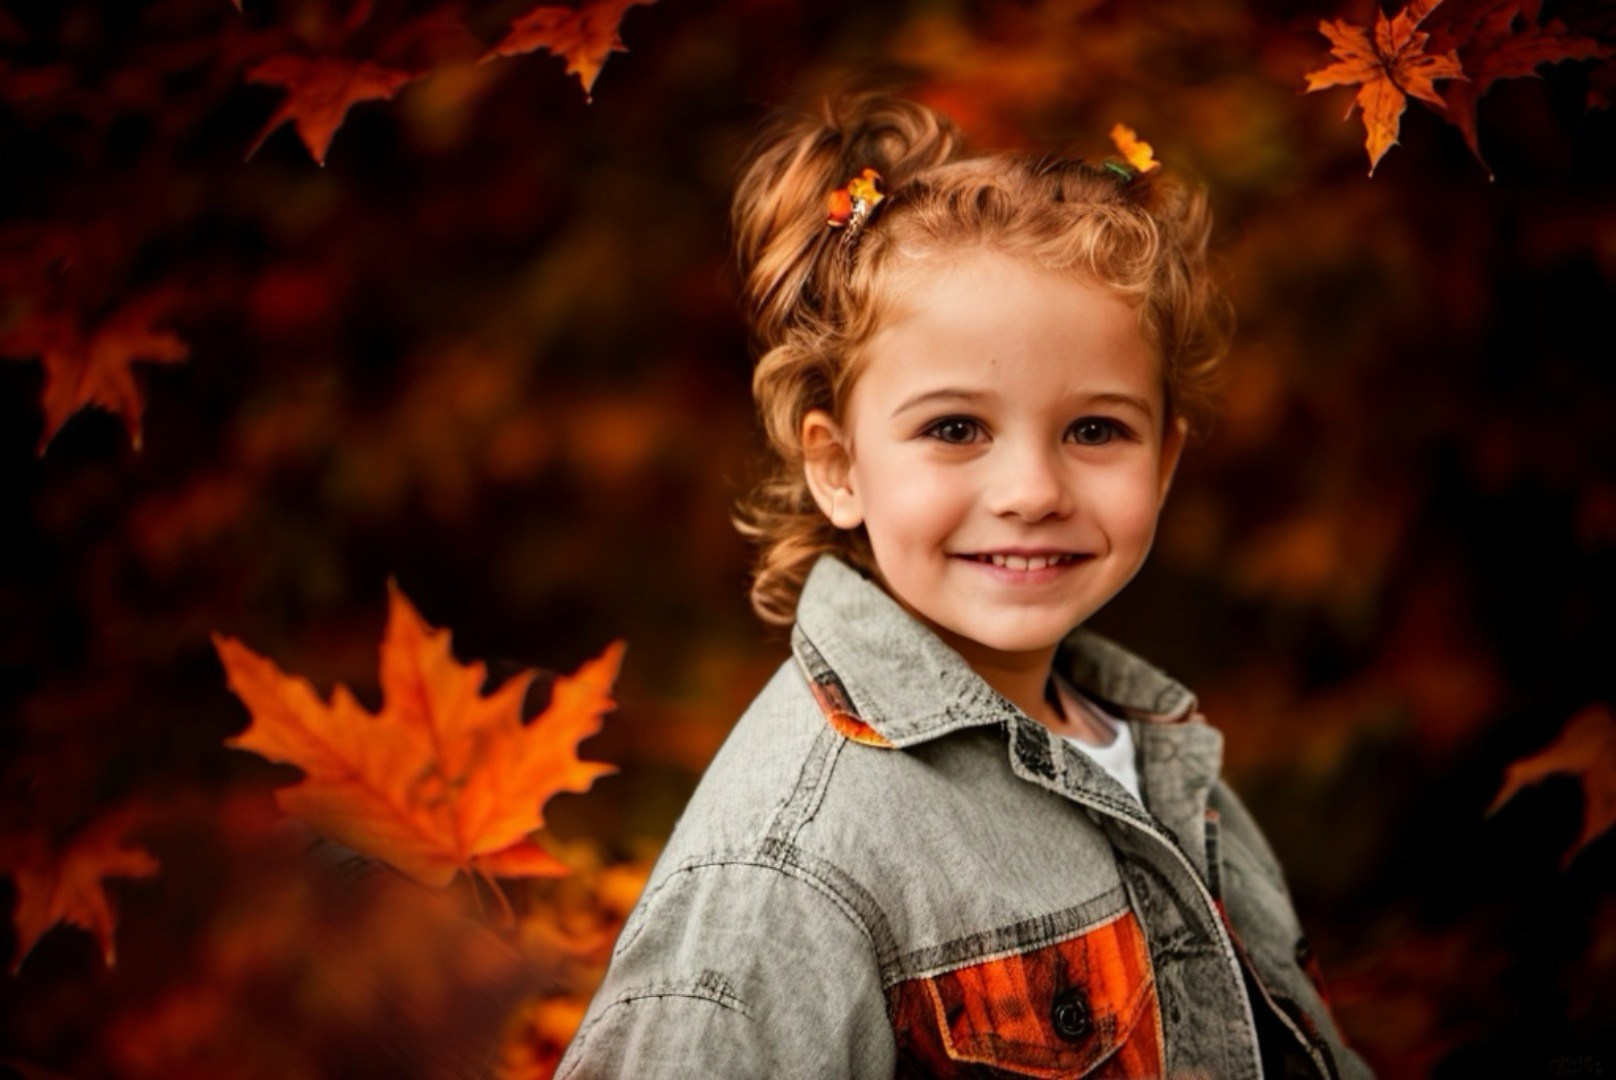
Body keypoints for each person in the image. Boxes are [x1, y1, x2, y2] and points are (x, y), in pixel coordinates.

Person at [556, 89, 1372, 1079]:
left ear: (1162, 463)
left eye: (1094, 430)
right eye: (954, 429)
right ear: (837, 466)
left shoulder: (1158, 758)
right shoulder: (792, 865)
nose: (1030, 491)